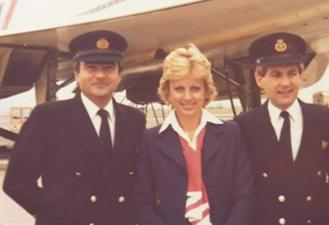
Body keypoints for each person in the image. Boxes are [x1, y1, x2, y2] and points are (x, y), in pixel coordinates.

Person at [3, 30, 146, 225]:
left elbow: (139, 179)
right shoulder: (47, 117)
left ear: (119, 75)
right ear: (77, 74)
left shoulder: (135, 120)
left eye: (109, 68)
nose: (100, 75)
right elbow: (17, 181)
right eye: (91, 68)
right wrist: (53, 215)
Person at [133, 44, 253, 225]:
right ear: (168, 92)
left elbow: (245, 194)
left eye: (195, 88)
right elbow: (142, 201)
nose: (188, 97)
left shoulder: (230, 134)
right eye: (179, 88)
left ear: (206, 91)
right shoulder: (151, 140)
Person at [234, 32, 329, 225]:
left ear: (301, 76)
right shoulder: (244, 125)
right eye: (276, 74)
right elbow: (242, 189)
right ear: (259, 78)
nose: (285, 83)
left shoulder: (324, 118)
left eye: (292, 73)